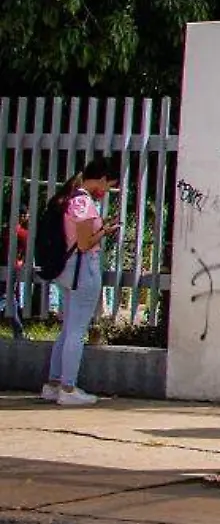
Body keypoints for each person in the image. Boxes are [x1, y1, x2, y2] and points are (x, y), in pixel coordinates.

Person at [41, 158, 120, 405]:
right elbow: (86, 244)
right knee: (77, 331)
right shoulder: (84, 203)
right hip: (83, 269)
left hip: (67, 269)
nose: (105, 191)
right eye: (108, 185)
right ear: (102, 178)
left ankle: (53, 384)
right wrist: (104, 232)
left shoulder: (70, 198)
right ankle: (68, 387)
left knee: (67, 329)